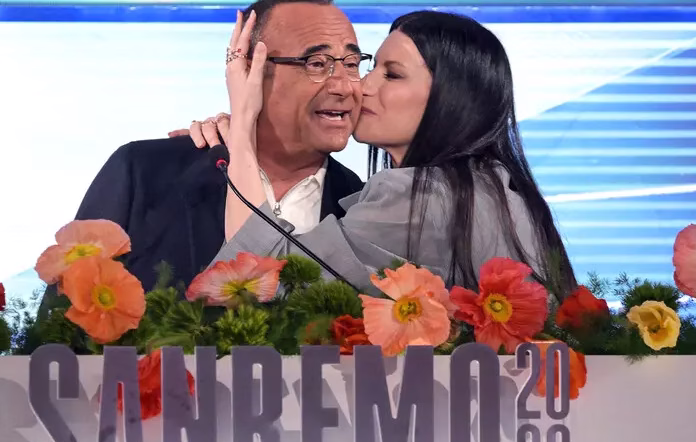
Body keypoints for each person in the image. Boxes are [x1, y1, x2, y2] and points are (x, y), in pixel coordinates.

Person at [189, 10, 578, 298]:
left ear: (452, 99)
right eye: (370, 67)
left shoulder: (426, 197)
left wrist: (244, 125)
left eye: (391, 75)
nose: (362, 86)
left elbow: (256, 279)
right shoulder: (489, 184)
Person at [54, 0, 367, 292]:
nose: (343, 86)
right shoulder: (143, 173)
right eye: (317, 63)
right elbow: (61, 321)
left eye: (352, 64)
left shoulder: (360, 205)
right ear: (247, 71)